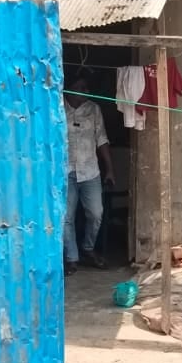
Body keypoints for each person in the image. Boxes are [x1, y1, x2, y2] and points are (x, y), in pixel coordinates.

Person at [64, 77, 114, 274]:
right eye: (80, 87)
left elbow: (101, 139)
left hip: (90, 171)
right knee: (66, 217)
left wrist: (110, 170)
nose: (85, 91)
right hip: (65, 171)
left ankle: (88, 248)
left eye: (86, 87)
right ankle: (71, 258)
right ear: (69, 89)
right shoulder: (58, 107)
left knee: (95, 213)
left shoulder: (94, 109)